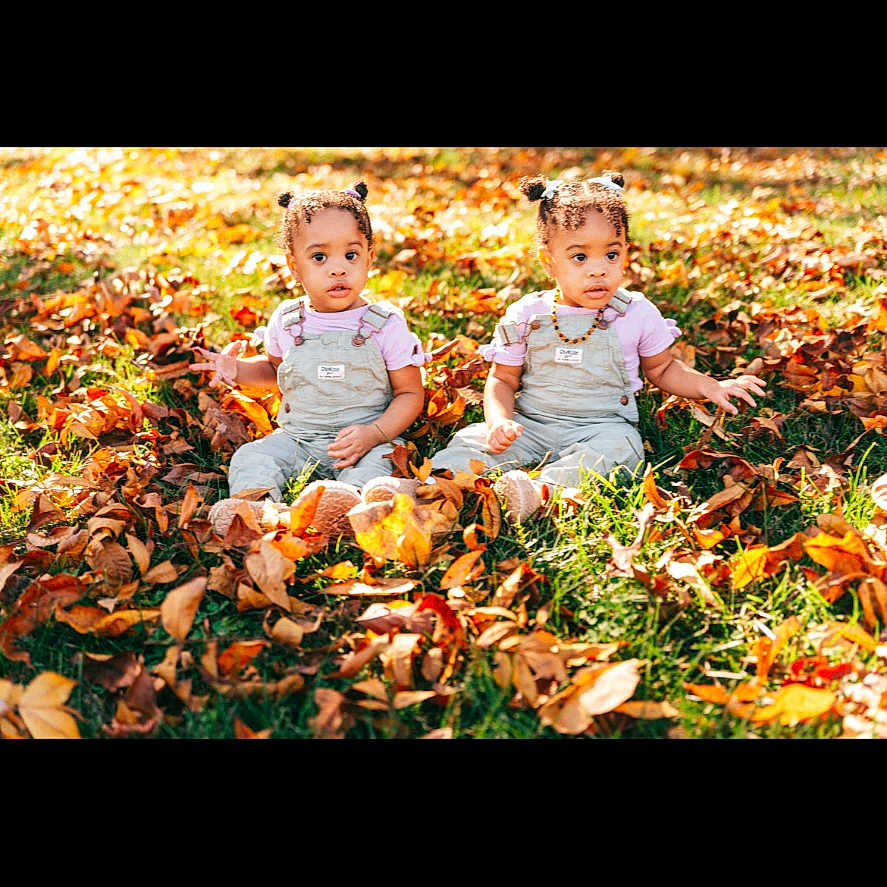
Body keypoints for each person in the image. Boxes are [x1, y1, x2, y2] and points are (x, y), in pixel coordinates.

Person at [430, 171, 767, 523]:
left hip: (601, 426)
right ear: (549, 261)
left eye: (611, 254)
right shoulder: (527, 313)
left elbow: (663, 369)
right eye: (579, 257)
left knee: (621, 451)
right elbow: (502, 380)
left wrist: (709, 385)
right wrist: (499, 421)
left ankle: (538, 492)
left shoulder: (636, 312)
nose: (598, 271)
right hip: (529, 423)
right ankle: (429, 489)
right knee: (471, 440)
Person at [190, 182, 427, 537]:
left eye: (351, 255)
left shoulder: (384, 325)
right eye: (319, 257)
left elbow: (410, 393)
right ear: (294, 266)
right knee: (252, 457)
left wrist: (374, 434)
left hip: (368, 438)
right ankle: (260, 508)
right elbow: (274, 370)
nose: (338, 269)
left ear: (369, 257)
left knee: (384, 463)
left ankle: (353, 503)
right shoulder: (288, 320)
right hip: (298, 438)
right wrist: (236, 369)